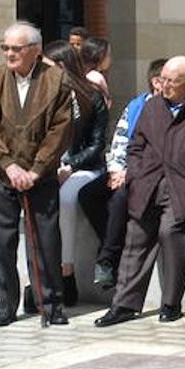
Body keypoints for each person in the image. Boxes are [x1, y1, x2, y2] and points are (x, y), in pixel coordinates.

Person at [93, 56, 185, 326]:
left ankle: (171, 303)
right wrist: (136, 172)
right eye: (163, 79)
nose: (165, 86)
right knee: (136, 238)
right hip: (147, 183)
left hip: (183, 185)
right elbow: (135, 145)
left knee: (171, 234)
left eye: (172, 81)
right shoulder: (153, 106)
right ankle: (123, 304)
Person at [0, 22, 75, 326]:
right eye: (5, 48)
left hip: (39, 177)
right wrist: (8, 164)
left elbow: (60, 130)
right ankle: (6, 304)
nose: (9, 54)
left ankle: (51, 303)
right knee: (2, 242)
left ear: (36, 50)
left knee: (45, 241)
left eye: (16, 48)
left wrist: (37, 169)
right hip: (1, 175)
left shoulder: (56, 81)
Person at [80, 58, 167, 290]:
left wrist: (128, 173)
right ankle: (110, 247)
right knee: (87, 194)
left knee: (120, 198)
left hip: (145, 173)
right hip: (122, 169)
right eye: (166, 79)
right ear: (156, 81)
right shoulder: (137, 105)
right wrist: (115, 170)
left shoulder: (172, 108)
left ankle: (107, 258)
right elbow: (120, 138)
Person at [43, 40, 109, 308]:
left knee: (67, 198)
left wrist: (71, 167)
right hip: (51, 166)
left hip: (85, 167)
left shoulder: (91, 95)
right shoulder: (42, 96)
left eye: (47, 68)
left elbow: (96, 143)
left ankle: (66, 272)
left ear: (62, 67)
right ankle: (37, 275)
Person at [80, 36, 113, 107]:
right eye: (108, 55)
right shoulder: (96, 77)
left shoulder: (83, 75)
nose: (110, 59)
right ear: (100, 56)